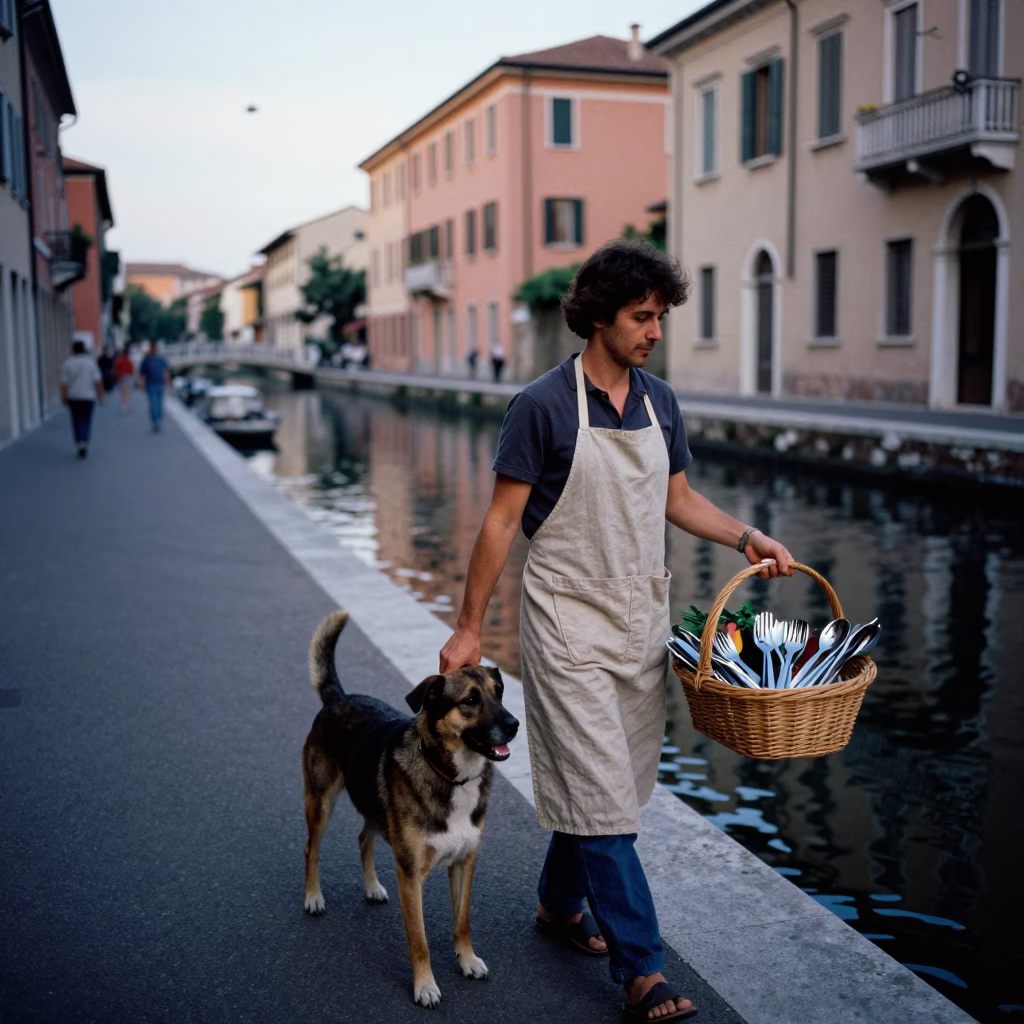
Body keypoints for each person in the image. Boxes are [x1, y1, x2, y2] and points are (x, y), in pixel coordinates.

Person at [439, 240, 794, 1023]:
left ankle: (559, 908)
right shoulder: (541, 405)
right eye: (641, 316)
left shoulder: (660, 401)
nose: (654, 330)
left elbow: (679, 499)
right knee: (603, 793)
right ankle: (643, 972)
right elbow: (501, 521)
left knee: (615, 790)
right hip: (565, 620)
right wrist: (469, 628)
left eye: (660, 316)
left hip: (640, 616)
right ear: (598, 316)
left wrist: (748, 537)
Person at [59, 340, 104, 459]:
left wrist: (63, 397)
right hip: (88, 396)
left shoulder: (68, 363)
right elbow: (98, 381)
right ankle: (85, 441)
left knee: (76, 420)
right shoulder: (90, 362)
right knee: (86, 420)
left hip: (73, 396)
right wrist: (100, 395)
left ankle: (79, 441)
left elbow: (64, 383)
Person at [137, 341, 171, 432]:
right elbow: (142, 374)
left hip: (160, 384)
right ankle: (156, 422)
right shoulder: (146, 360)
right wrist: (141, 384)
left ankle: (159, 420)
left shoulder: (161, 359)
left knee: (159, 404)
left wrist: (168, 382)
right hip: (150, 384)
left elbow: (166, 371)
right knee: (153, 404)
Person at [113, 347, 135, 413]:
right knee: (128, 391)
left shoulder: (119, 360)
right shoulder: (129, 360)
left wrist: (117, 377)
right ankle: (127, 404)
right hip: (128, 376)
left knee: (123, 392)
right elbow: (132, 369)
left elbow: (116, 369)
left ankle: (124, 404)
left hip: (121, 377)